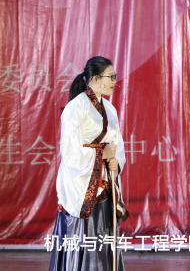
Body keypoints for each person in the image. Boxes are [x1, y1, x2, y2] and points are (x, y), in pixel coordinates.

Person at [50, 56, 126, 271]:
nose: (114, 81)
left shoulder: (110, 109)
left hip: (105, 182)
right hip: (82, 186)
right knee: (85, 239)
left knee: (105, 241)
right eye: (111, 77)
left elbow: (118, 145)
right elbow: (70, 151)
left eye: (115, 77)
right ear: (94, 79)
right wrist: (102, 153)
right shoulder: (75, 108)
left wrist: (115, 160)